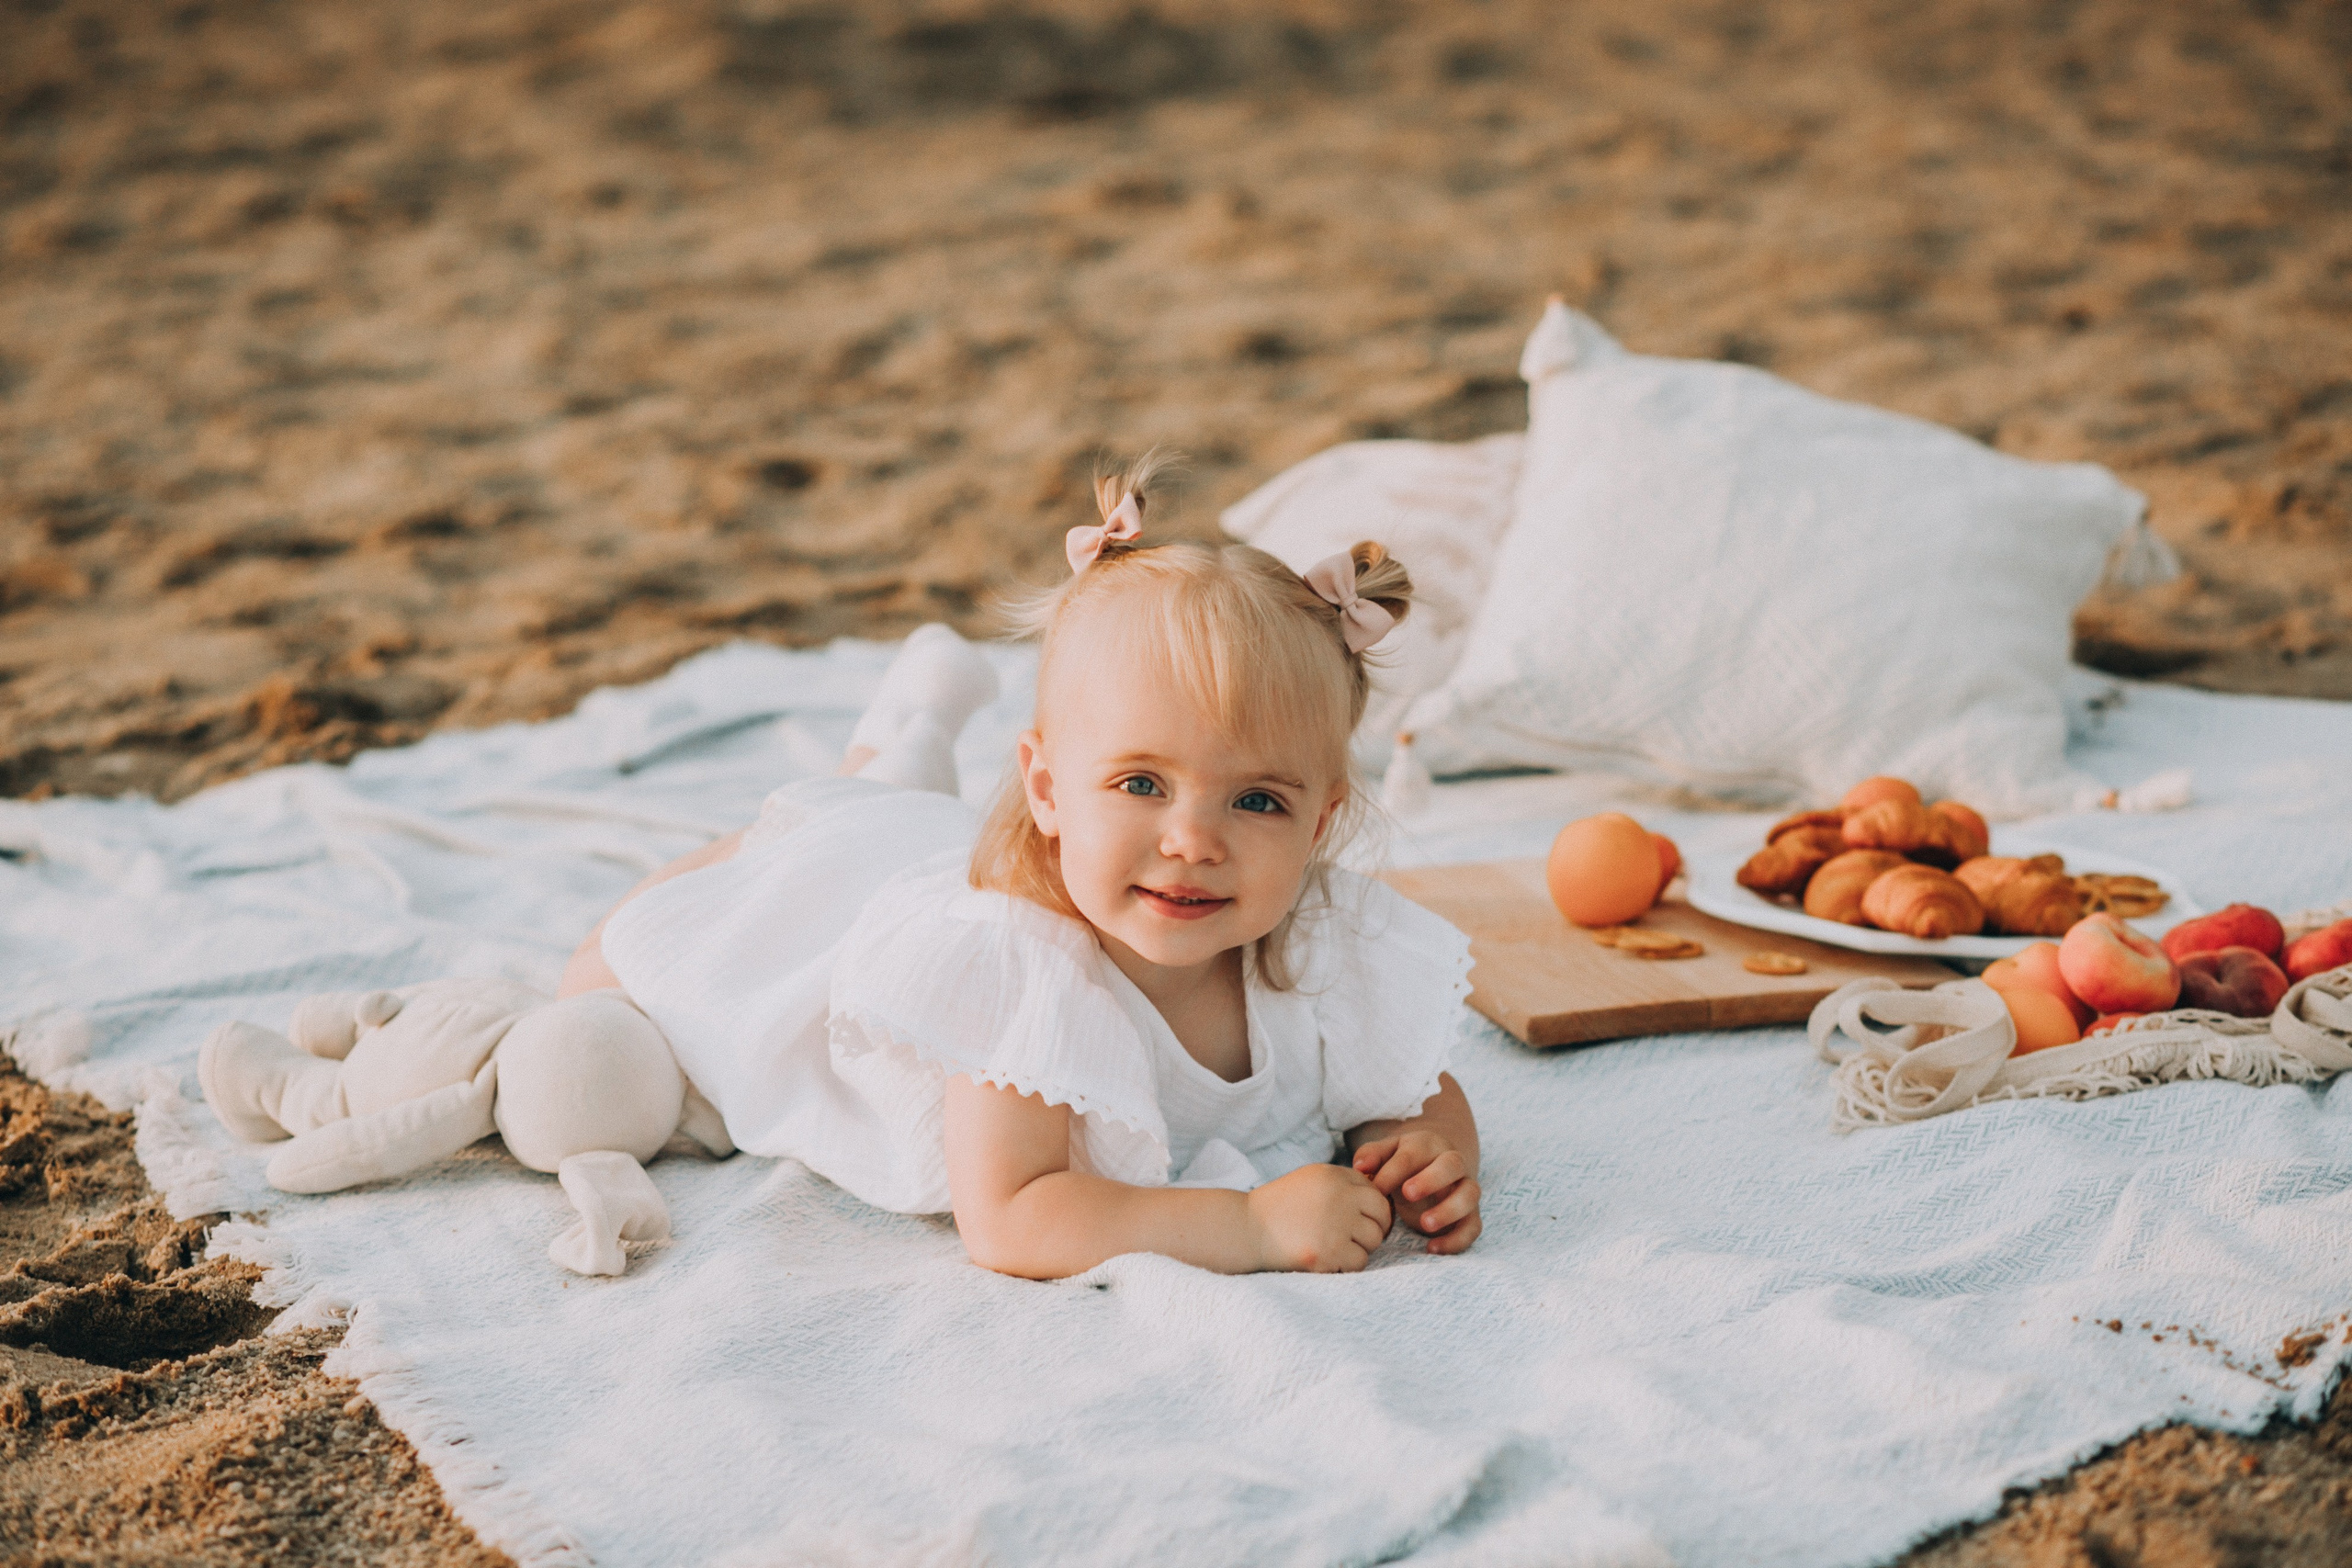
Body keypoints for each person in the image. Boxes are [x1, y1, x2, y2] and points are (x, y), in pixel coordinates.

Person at [560, 457, 1481, 1278]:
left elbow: (1414, 1084)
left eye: (1257, 802)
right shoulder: (1019, 977)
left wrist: (1424, 1150)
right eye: (1140, 782)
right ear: (1043, 786)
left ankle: (904, 739)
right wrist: (1246, 1226)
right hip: (837, 906)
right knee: (652, 946)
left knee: (897, 812)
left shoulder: (1326, 940)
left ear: (1319, 825)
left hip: (928, 843)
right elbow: (1014, 1216)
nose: (1193, 841)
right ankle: (876, 760)